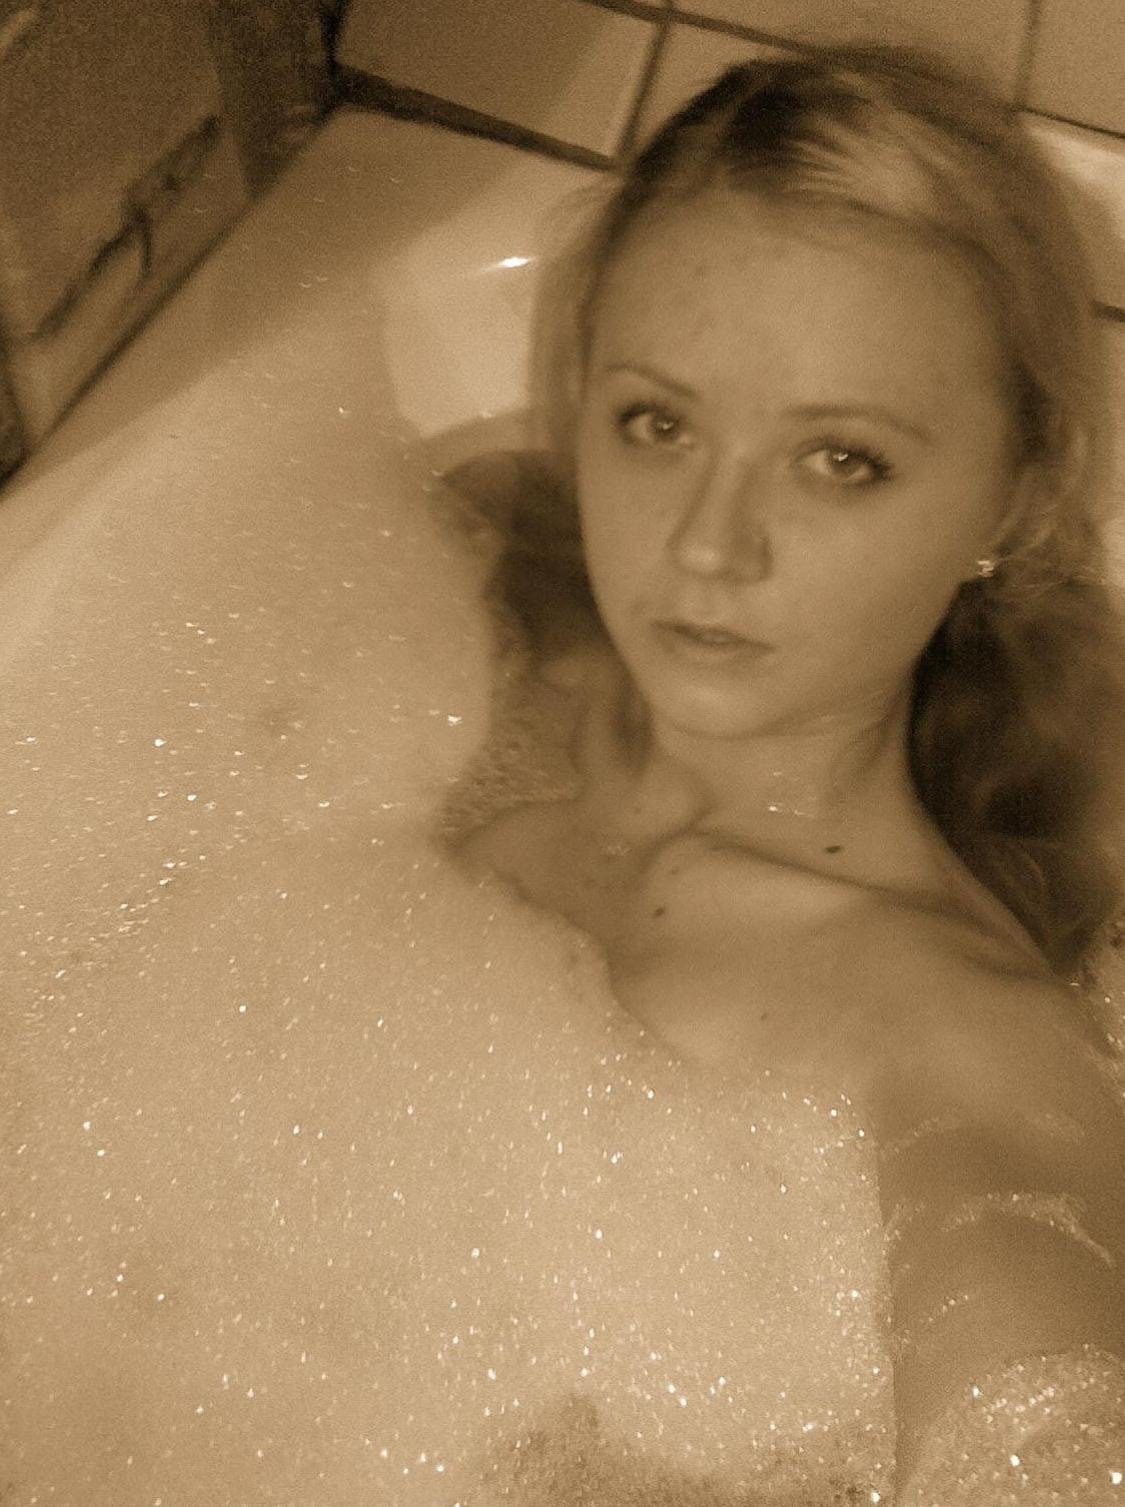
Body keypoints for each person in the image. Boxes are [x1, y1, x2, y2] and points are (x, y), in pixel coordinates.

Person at [453, 44, 1125, 1502]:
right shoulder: (454, 640)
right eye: (657, 423)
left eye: (840, 460)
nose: (707, 543)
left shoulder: (955, 1060)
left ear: (1017, 499)